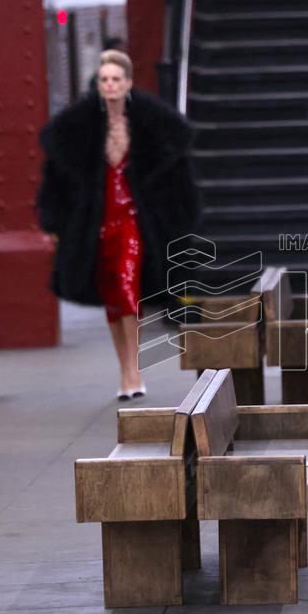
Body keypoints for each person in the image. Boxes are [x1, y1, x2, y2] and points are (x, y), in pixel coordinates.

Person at [36, 50, 200, 401]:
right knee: (113, 296)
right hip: (97, 223)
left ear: (127, 83)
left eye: (115, 79)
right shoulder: (81, 127)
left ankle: (133, 372)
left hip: (134, 222)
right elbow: (55, 177)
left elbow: (178, 172)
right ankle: (124, 366)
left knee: (127, 287)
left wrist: (178, 216)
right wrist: (55, 220)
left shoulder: (150, 122)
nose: (108, 85)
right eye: (103, 80)